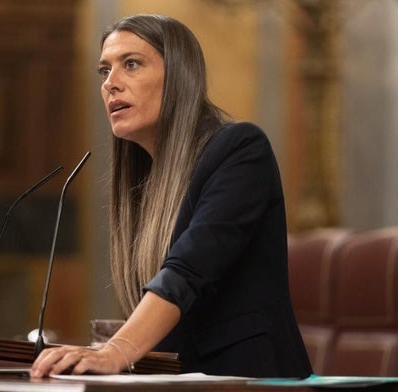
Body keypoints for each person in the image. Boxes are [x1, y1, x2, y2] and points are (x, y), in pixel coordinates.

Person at [31, 14, 312, 378]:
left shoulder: (241, 150)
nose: (111, 84)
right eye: (104, 71)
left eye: (131, 64)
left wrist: (117, 350)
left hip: (251, 380)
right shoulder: (145, 179)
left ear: (180, 76)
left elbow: (188, 271)